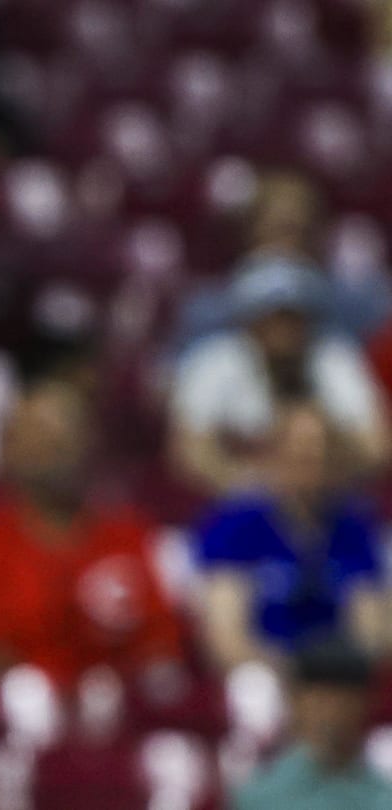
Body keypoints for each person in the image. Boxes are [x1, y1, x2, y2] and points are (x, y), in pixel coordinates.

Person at [0, 381, 184, 688]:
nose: (57, 450)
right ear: (10, 450)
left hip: (118, 714)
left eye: (68, 434)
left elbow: (159, 645)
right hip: (15, 712)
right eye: (41, 435)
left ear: (91, 444)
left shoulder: (129, 536)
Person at [195, 402, 390, 672]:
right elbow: (226, 638)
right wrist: (292, 671)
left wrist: (336, 669)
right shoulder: (234, 526)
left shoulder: (353, 527)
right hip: (265, 669)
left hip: (337, 671)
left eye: (320, 455)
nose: (310, 467)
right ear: (274, 456)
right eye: (299, 455)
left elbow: (371, 629)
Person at [169, 255, 389, 494]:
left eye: (293, 316)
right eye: (274, 316)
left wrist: (314, 479)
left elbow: (376, 447)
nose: (284, 330)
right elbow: (190, 452)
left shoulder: (333, 358)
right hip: (233, 503)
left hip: (324, 503)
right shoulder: (216, 361)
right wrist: (252, 486)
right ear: (250, 320)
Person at [234, 635, 392, 810]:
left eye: (345, 702)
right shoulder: (262, 795)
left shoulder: (383, 796)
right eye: (321, 701)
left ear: (366, 704)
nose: (333, 713)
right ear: (296, 703)